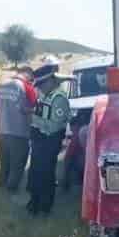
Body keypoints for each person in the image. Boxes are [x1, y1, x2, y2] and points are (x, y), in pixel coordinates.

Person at [27, 61, 71, 216]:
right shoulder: (46, 94)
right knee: (35, 173)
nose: (38, 87)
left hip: (49, 142)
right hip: (39, 141)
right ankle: (34, 203)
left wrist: (32, 119)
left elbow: (53, 127)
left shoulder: (59, 99)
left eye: (41, 84)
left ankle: (44, 207)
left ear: (51, 80)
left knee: (45, 175)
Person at [0, 65, 37, 192]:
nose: (31, 81)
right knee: (17, 167)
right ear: (28, 74)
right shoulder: (28, 88)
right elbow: (36, 109)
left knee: (4, 165)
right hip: (20, 135)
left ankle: (0, 192)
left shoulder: (1, 85)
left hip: (2, 133)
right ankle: (10, 195)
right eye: (31, 78)